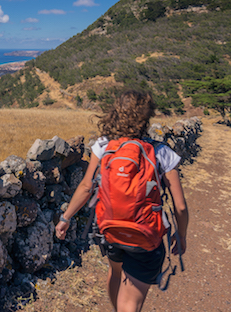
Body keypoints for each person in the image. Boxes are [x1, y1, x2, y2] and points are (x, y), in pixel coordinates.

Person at [55, 89, 189, 312]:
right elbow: (180, 206)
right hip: (146, 235)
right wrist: (181, 235)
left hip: (110, 230)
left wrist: (65, 218)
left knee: (115, 272)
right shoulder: (162, 152)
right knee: (131, 304)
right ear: (147, 117)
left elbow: (87, 186)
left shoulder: (104, 146)